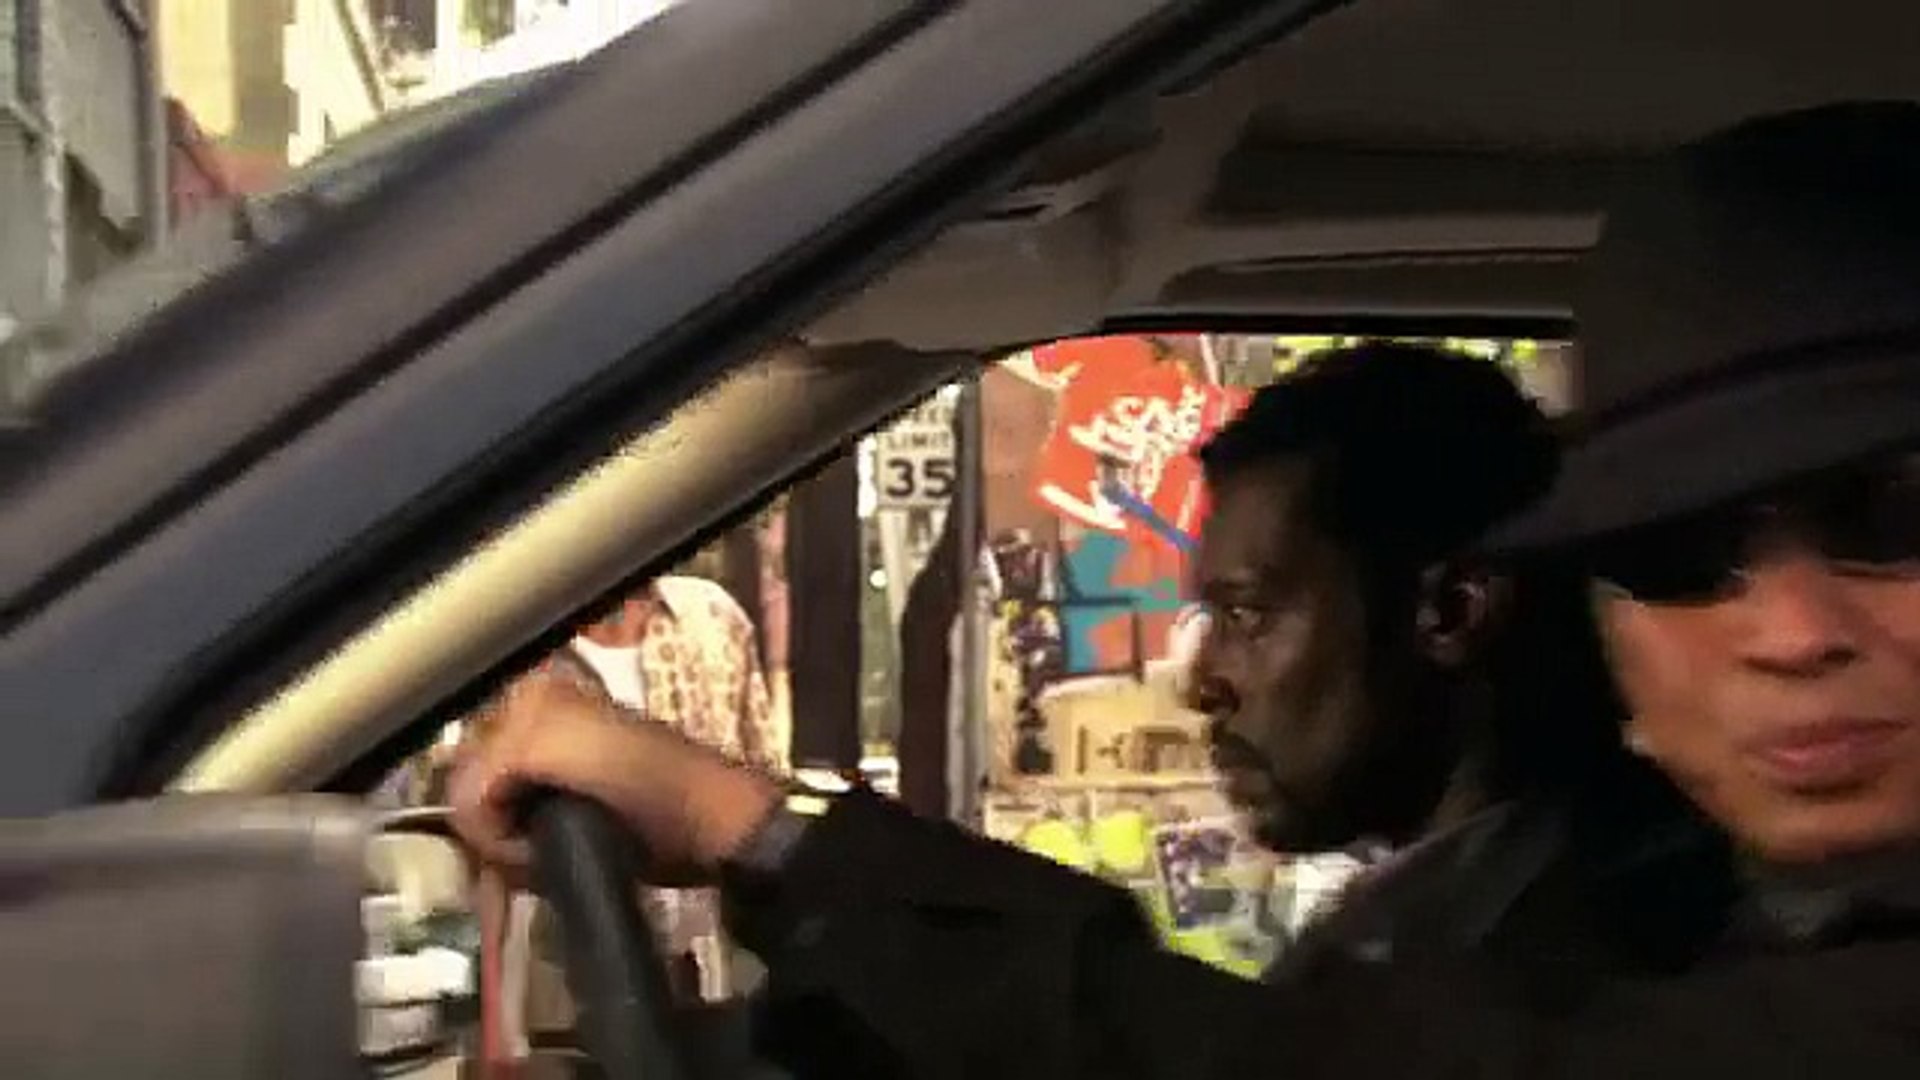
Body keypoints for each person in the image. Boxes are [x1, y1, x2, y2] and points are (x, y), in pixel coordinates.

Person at [452, 102, 1920, 1078]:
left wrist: (753, 827)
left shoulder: (1619, 942)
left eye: (1890, 520)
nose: (1793, 633)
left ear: (1455, 611)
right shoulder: (1686, 907)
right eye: (1676, 549)